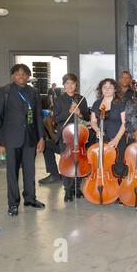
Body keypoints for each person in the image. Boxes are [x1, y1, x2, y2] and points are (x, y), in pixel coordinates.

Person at [0, 64, 46, 216]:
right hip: (10, 139)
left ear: (29, 76)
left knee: (30, 171)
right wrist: (0, 141)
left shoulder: (34, 92)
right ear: (12, 76)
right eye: (17, 74)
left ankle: (30, 199)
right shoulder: (4, 91)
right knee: (12, 173)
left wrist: (41, 138)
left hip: (30, 138)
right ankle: (13, 203)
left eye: (24, 74)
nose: (21, 76)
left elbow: (37, 116)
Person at [53, 74, 90, 202]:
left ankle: (77, 187)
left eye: (72, 83)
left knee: (79, 161)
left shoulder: (81, 99)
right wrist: (68, 112)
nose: (70, 86)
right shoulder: (58, 100)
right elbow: (56, 119)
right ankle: (68, 190)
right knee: (66, 162)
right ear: (64, 85)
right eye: (67, 83)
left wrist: (80, 113)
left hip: (79, 135)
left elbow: (87, 117)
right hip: (65, 136)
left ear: (76, 85)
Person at [90, 79, 127, 178]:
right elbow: (93, 121)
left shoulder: (120, 103)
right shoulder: (96, 104)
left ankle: (117, 191)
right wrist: (97, 130)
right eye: (104, 87)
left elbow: (124, 123)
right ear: (101, 89)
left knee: (118, 167)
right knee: (102, 166)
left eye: (110, 87)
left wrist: (116, 139)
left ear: (115, 89)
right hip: (101, 139)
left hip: (117, 138)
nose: (107, 89)